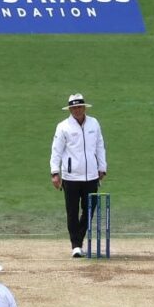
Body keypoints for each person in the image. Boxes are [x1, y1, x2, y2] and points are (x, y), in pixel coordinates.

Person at [50, 93, 108, 258]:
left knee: (90, 208)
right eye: (73, 108)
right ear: (70, 109)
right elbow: (56, 150)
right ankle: (76, 245)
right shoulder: (63, 126)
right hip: (71, 176)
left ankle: (79, 237)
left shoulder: (93, 123)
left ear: (84, 107)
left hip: (91, 175)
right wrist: (55, 172)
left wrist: (102, 167)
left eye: (79, 107)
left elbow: (99, 146)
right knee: (72, 211)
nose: (77, 110)